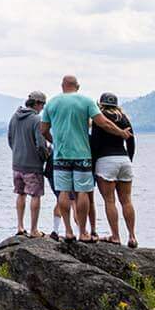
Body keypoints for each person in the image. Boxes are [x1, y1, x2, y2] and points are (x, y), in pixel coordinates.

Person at [42, 74, 99, 241]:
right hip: (82, 154)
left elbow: (43, 129)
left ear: (62, 86)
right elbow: (101, 122)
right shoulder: (87, 101)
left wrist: (56, 142)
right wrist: (120, 133)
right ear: (78, 86)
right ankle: (82, 232)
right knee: (82, 192)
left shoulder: (52, 103)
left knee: (63, 192)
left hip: (60, 156)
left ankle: (67, 231)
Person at [92, 92, 137, 246]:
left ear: (101, 104)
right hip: (124, 160)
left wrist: (93, 163)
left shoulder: (100, 118)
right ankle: (132, 236)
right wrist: (128, 159)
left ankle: (115, 236)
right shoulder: (124, 118)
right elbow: (131, 142)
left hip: (106, 160)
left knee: (110, 201)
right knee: (126, 200)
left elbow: (96, 143)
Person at [6, 91, 49, 237]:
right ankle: (33, 230)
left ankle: (19, 226)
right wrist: (44, 156)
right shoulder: (36, 119)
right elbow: (41, 143)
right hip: (32, 165)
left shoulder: (14, 117)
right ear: (37, 104)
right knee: (35, 195)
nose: (43, 108)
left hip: (17, 164)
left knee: (20, 194)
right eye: (42, 105)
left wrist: (17, 153)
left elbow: (10, 139)